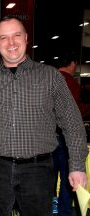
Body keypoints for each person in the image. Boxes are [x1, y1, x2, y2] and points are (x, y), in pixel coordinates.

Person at [0, 16, 88, 216]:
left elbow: (72, 123)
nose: (11, 43)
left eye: (17, 35)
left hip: (38, 172)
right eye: (4, 37)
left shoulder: (51, 77)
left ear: (26, 38)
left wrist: (77, 166)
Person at [53, 51, 90, 215]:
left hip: (47, 138)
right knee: (69, 179)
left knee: (47, 178)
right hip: (64, 137)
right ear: (73, 63)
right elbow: (74, 113)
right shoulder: (70, 82)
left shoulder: (49, 78)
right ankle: (64, 212)